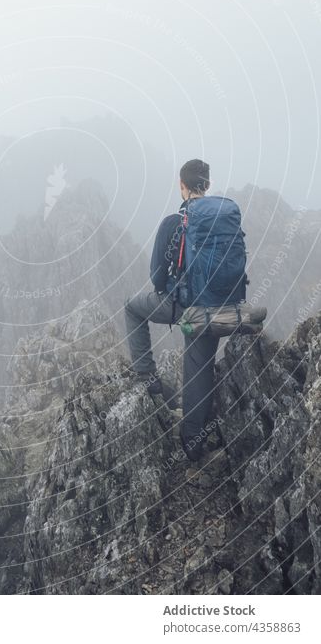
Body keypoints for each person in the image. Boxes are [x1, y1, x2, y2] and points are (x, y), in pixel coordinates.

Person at [124, 159, 225, 462]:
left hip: (180, 305)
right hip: (218, 307)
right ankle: (193, 441)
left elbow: (157, 276)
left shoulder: (173, 222)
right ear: (206, 185)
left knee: (132, 308)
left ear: (182, 185)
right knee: (199, 367)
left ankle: (147, 376)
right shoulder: (224, 219)